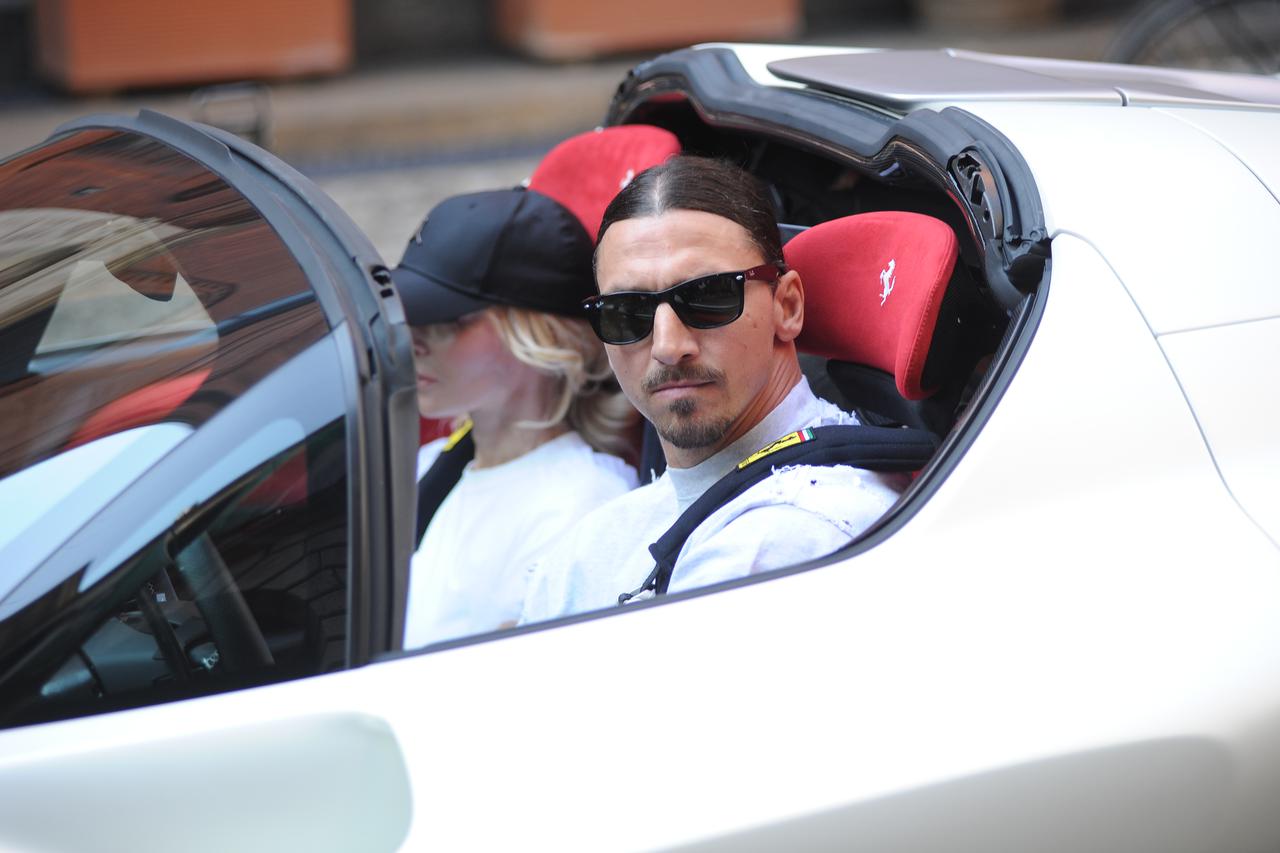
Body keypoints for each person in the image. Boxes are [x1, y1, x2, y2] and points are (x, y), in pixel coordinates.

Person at [520, 156, 906, 621]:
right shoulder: (590, 546)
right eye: (626, 312)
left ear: (788, 306)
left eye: (707, 296)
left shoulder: (780, 542)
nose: (667, 346)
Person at [393, 188, 638, 648]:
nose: (415, 340)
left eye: (449, 321)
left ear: (542, 337)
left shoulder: (583, 510)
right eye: (411, 317)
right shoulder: (427, 465)